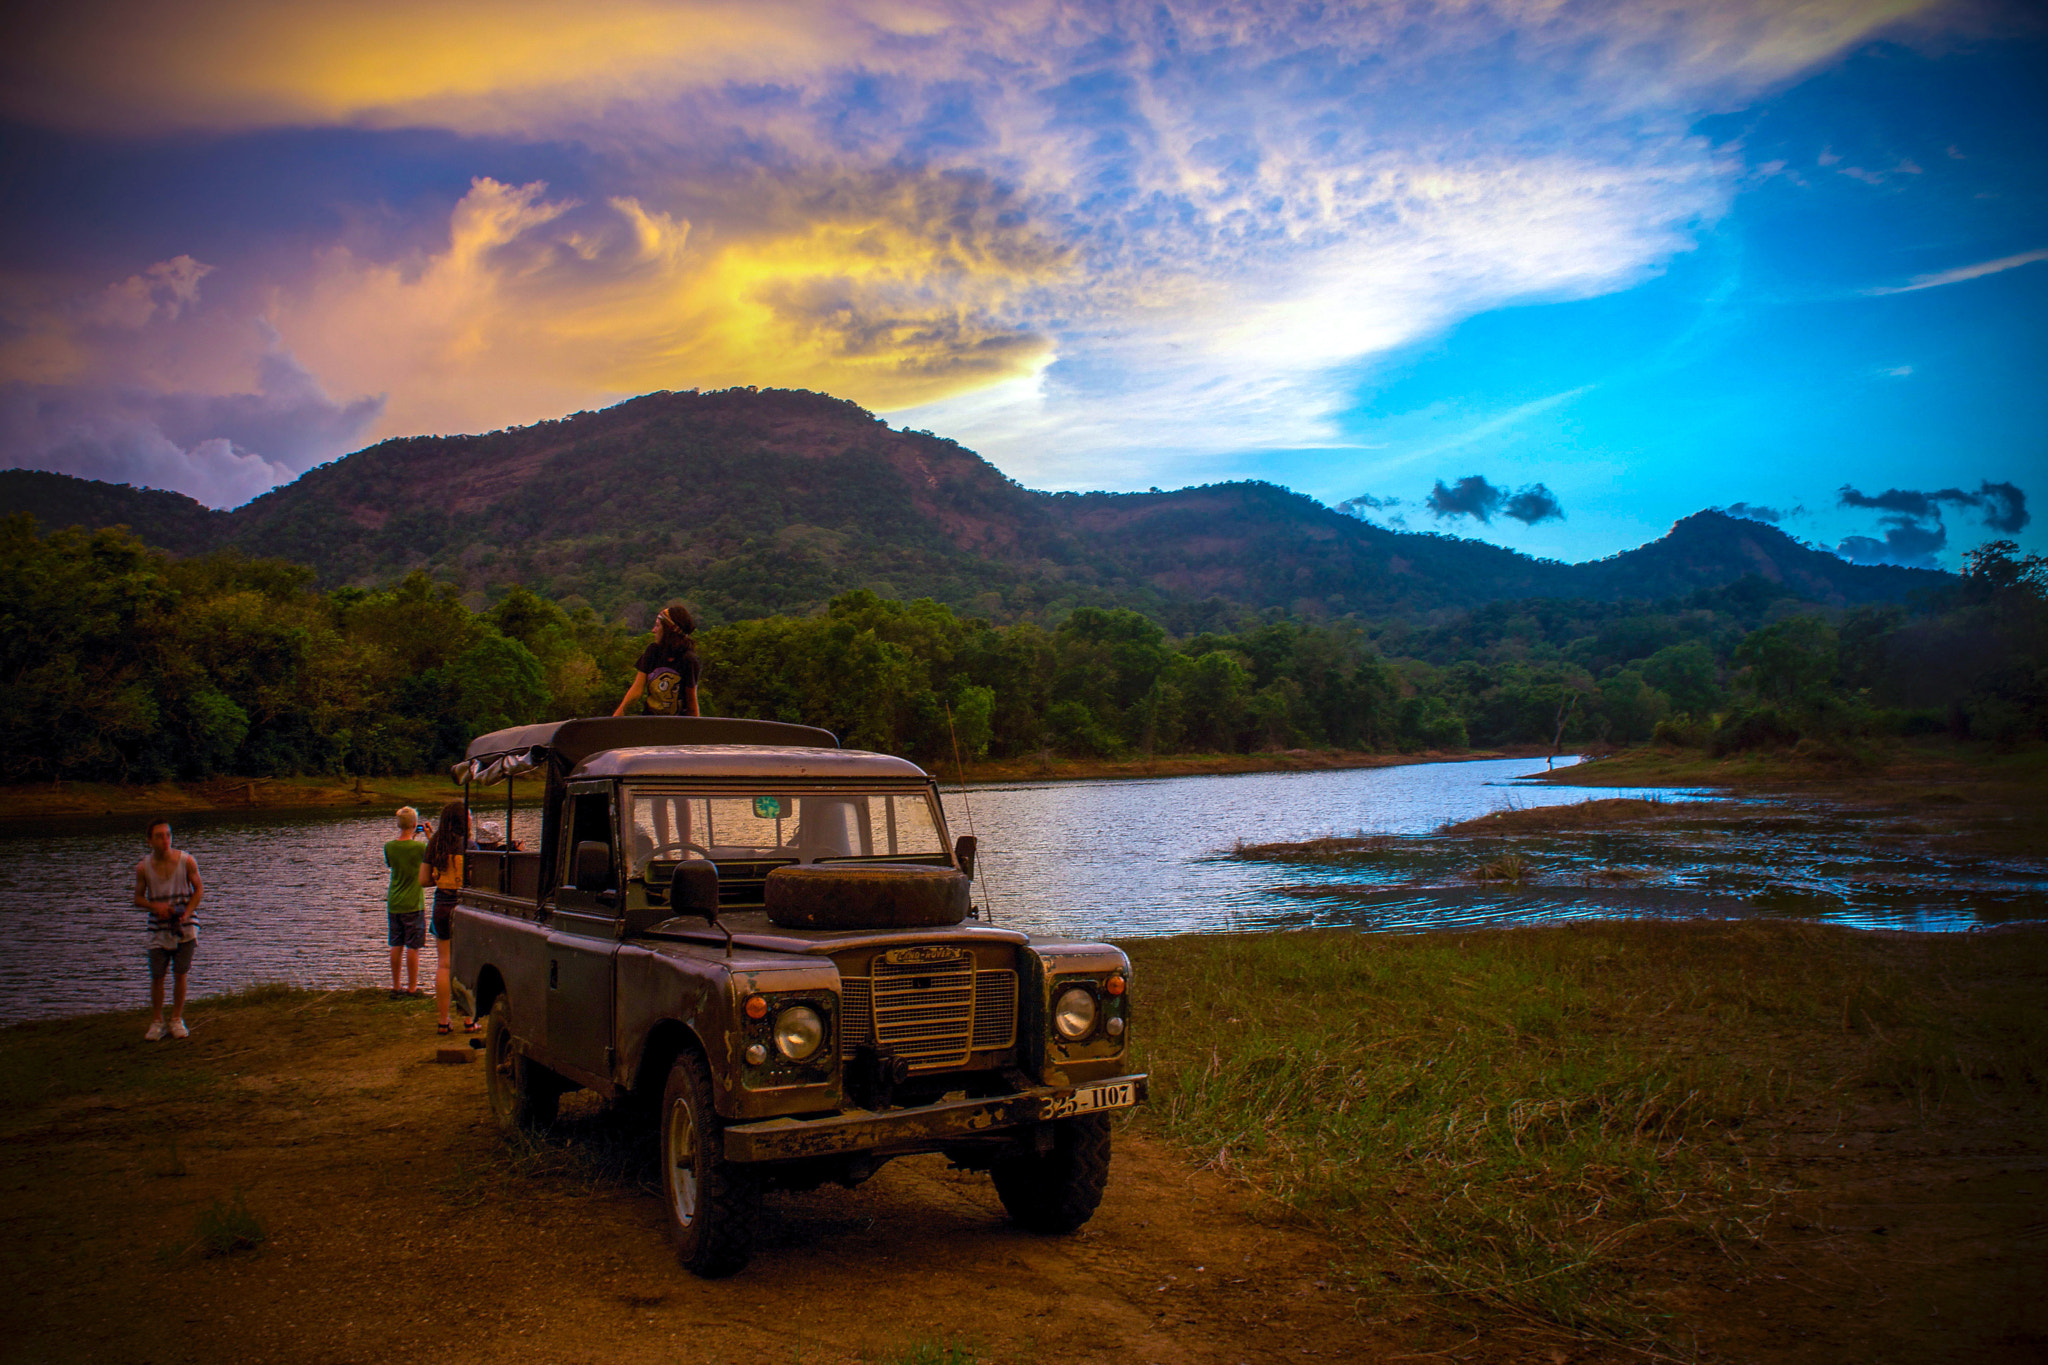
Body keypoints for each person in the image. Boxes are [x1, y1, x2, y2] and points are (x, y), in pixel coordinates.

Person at [134, 818, 203, 1040]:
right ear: (149, 841)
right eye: (159, 836)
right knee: (157, 976)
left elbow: (199, 890)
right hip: (158, 928)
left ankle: (176, 1019)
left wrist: (187, 913)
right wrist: (155, 906)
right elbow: (137, 898)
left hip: (185, 926)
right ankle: (157, 1022)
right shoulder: (143, 868)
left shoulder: (187, 861)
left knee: (180, 973)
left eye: (168, 835)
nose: (165, 840)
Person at [421, 800, 479, 1034]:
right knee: (467, 964)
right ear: (463, 820)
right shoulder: (471, 845)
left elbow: (423, 880)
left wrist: (441, 879)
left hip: (442, 906)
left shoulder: (435, 844)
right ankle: (469, 1020)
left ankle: (443, 1022)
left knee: (444, 965)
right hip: (464, 909)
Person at [613, 603, 702, 716]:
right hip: (650, 722)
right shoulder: (653, 651)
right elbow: (636, 690)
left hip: (677, 725)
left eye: (657, 626)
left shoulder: (689, 660)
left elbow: (691, 702)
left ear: (668, 631)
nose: (653, 630)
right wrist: (617, 716)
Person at [383, 806, 428, 997]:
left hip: (394, 901)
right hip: (413, 903)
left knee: (396, 944)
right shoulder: (420, 847)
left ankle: (395, 986)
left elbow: (392, 864)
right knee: (413, 946)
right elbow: (432, 855)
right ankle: (412, 988)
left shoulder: (389, 846)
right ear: (414, 824)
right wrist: (428, 835)